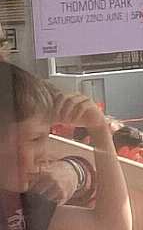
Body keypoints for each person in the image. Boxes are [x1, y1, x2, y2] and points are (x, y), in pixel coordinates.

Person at [0, 62, 132, 230]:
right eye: (34, 139)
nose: (44, 158)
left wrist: (100, 130)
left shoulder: (19, 203)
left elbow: (111, 225)